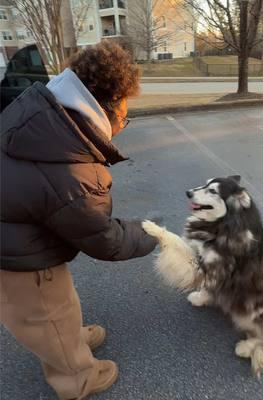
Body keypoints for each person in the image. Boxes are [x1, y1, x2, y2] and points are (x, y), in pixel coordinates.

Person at [0, 41, 157, 400]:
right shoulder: (75, 172)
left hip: (18, 230)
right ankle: (77, 378)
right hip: (17, 259)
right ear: (106, 106)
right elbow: (105, 239)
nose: (122, 124)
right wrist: (150, 233)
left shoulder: (38, 112)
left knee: (60, 302)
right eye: (125, 116)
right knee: (45, 315)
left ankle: (68, 334)